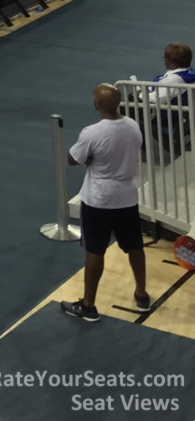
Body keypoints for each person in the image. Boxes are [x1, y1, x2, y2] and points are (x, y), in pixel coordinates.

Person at [60, 84, 152, 320]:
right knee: (135, 246)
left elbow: (72, 159)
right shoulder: (133, 125)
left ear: (97, 104)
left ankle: (88, 305)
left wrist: (92, 157)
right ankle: (142, 295)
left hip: (99, 199)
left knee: (95, 250)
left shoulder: (91, 132)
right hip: (126, 197)